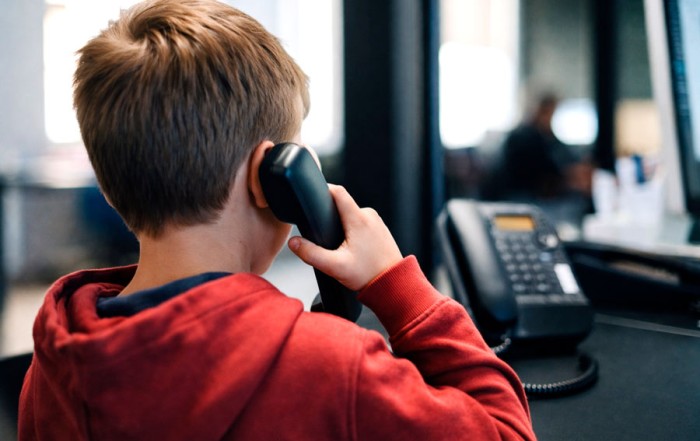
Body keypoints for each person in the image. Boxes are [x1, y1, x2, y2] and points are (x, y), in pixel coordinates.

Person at [18, 1, 535, 440]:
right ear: (271, 177)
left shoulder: (54, 364)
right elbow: (506, 430)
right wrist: (400, 288)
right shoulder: (336, 368)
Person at [495, 93, 592, 201]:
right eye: (550, 113)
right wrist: (568, 174)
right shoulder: (522, 137)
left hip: (540, 193)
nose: (551, 119)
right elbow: (538, 168)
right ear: (541, 111)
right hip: (520, 195)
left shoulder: (548, 136)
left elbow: (564, 155)